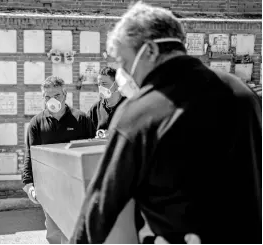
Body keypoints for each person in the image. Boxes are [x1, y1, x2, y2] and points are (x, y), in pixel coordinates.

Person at [70, 2, 261, 244]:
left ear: (149, 50)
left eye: (124, 63)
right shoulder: (244, 94)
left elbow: (99, 207)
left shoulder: (139, 112)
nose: (123, 74)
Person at [22, 76, 95, 244]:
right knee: (54, 232)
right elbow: (29, 154)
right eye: (47, 97)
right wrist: (28, 184)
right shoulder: (36, 123)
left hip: (76, 187)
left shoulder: (81, 119)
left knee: (78, 231)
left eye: (56, 95)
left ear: (65, 94)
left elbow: (92, 151)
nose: (51, 100)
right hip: (49, 187)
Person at [87, 66, 126, 138]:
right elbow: (88, 135)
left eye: (104, 84)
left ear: (116, 84)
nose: (100, 87)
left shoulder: (128, 105)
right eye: (99, 84)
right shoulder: (95, 109)